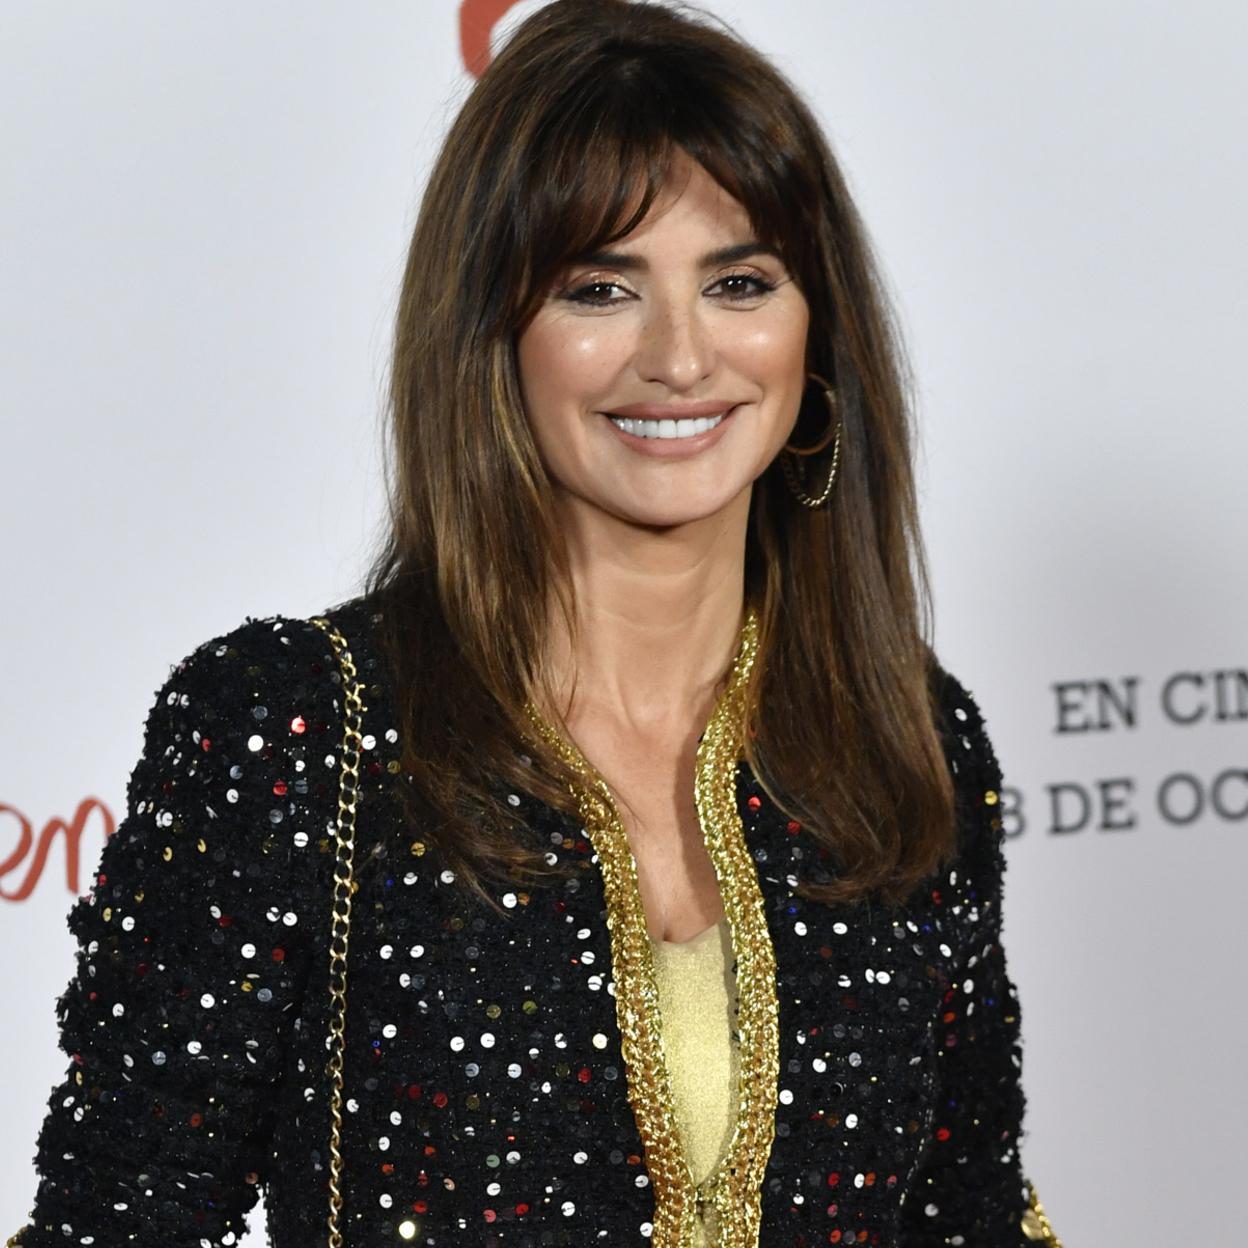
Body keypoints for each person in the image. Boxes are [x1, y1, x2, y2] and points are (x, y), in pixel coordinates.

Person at [7, 2, 1063, 1246]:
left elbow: (969, 1215)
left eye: (738, 283)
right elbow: (119, 1216)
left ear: (816, 329)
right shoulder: (299, 728)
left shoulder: (903, 729)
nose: (680, 359)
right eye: (599, 289)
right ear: (492, 334)